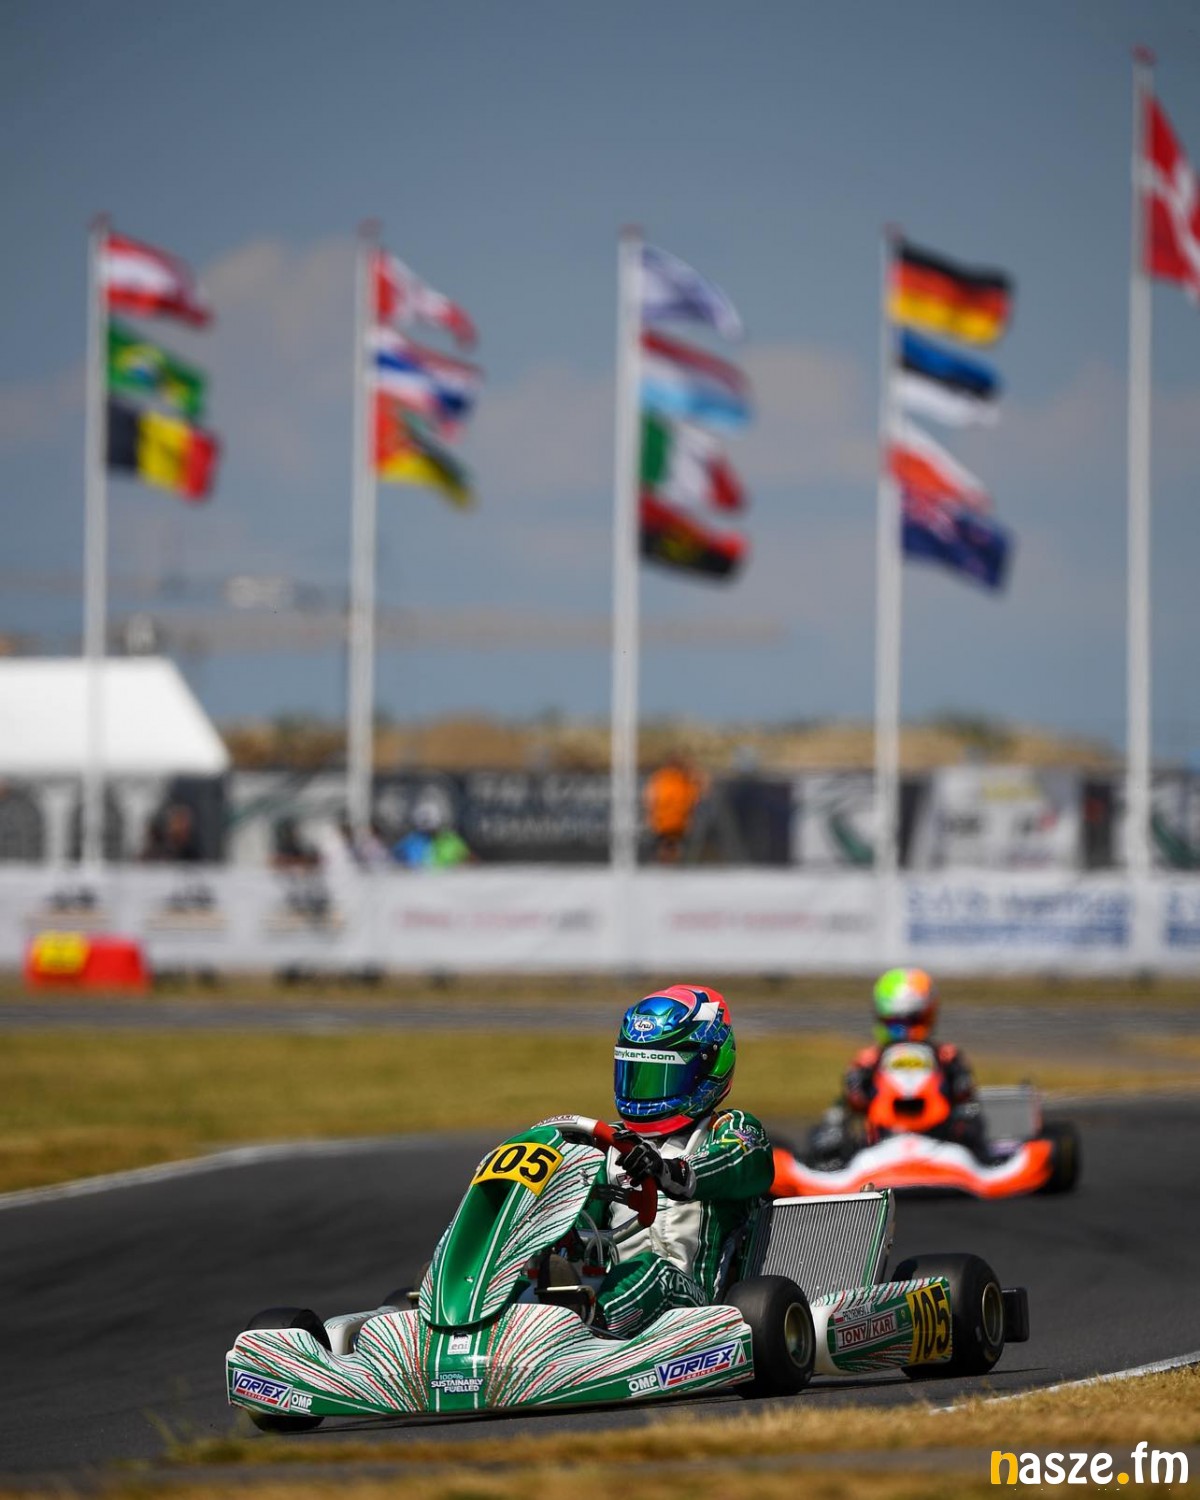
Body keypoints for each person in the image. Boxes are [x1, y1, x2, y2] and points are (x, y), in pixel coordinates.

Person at [587, 984, 773, 1338]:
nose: (646, 1090)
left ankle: (591, 1329)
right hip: (615, 1295)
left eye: (661, 1075)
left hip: (699, 1310)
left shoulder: (731, 1130)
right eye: (637, 1073)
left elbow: (738, 1163)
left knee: (653, 1271)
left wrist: (668, 1171)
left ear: (709, 1067)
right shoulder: (609, 1145)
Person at [809, 968, 980, 1164]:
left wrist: (961, 1085)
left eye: (912, 1021)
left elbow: (965, 1094)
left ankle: (973, 1156)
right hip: (879, 1140)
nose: (905, 1028)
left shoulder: (946, 1055)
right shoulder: (869, 1059)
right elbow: (852, 1098)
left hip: (941, 1138)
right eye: (896, 1022)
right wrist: (855, 1086)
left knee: (971, 1117)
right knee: (832, 1128)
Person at [643, 755, 706, 863]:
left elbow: (650, 799)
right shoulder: (674, 779)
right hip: (671, 825)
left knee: (669, 841)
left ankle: (668, 853)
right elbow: (697, 795)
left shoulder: (665, 778)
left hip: (668, 825)